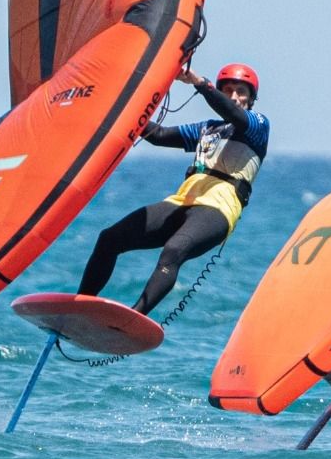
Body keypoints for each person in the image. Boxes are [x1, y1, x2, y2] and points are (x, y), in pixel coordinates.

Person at [77, 62, 270, 316]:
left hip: (219, 206)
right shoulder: (208, 129)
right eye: (228, 90)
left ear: (251, 99)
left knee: (174, 250)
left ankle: (134, 317)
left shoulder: (258, 125)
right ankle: (78, 307)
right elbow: (159, 135)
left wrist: (198, 82)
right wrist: (120, 110)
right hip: (182, 200)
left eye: (241, 92)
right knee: (109, 238)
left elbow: (234, 114)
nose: (234, 96)